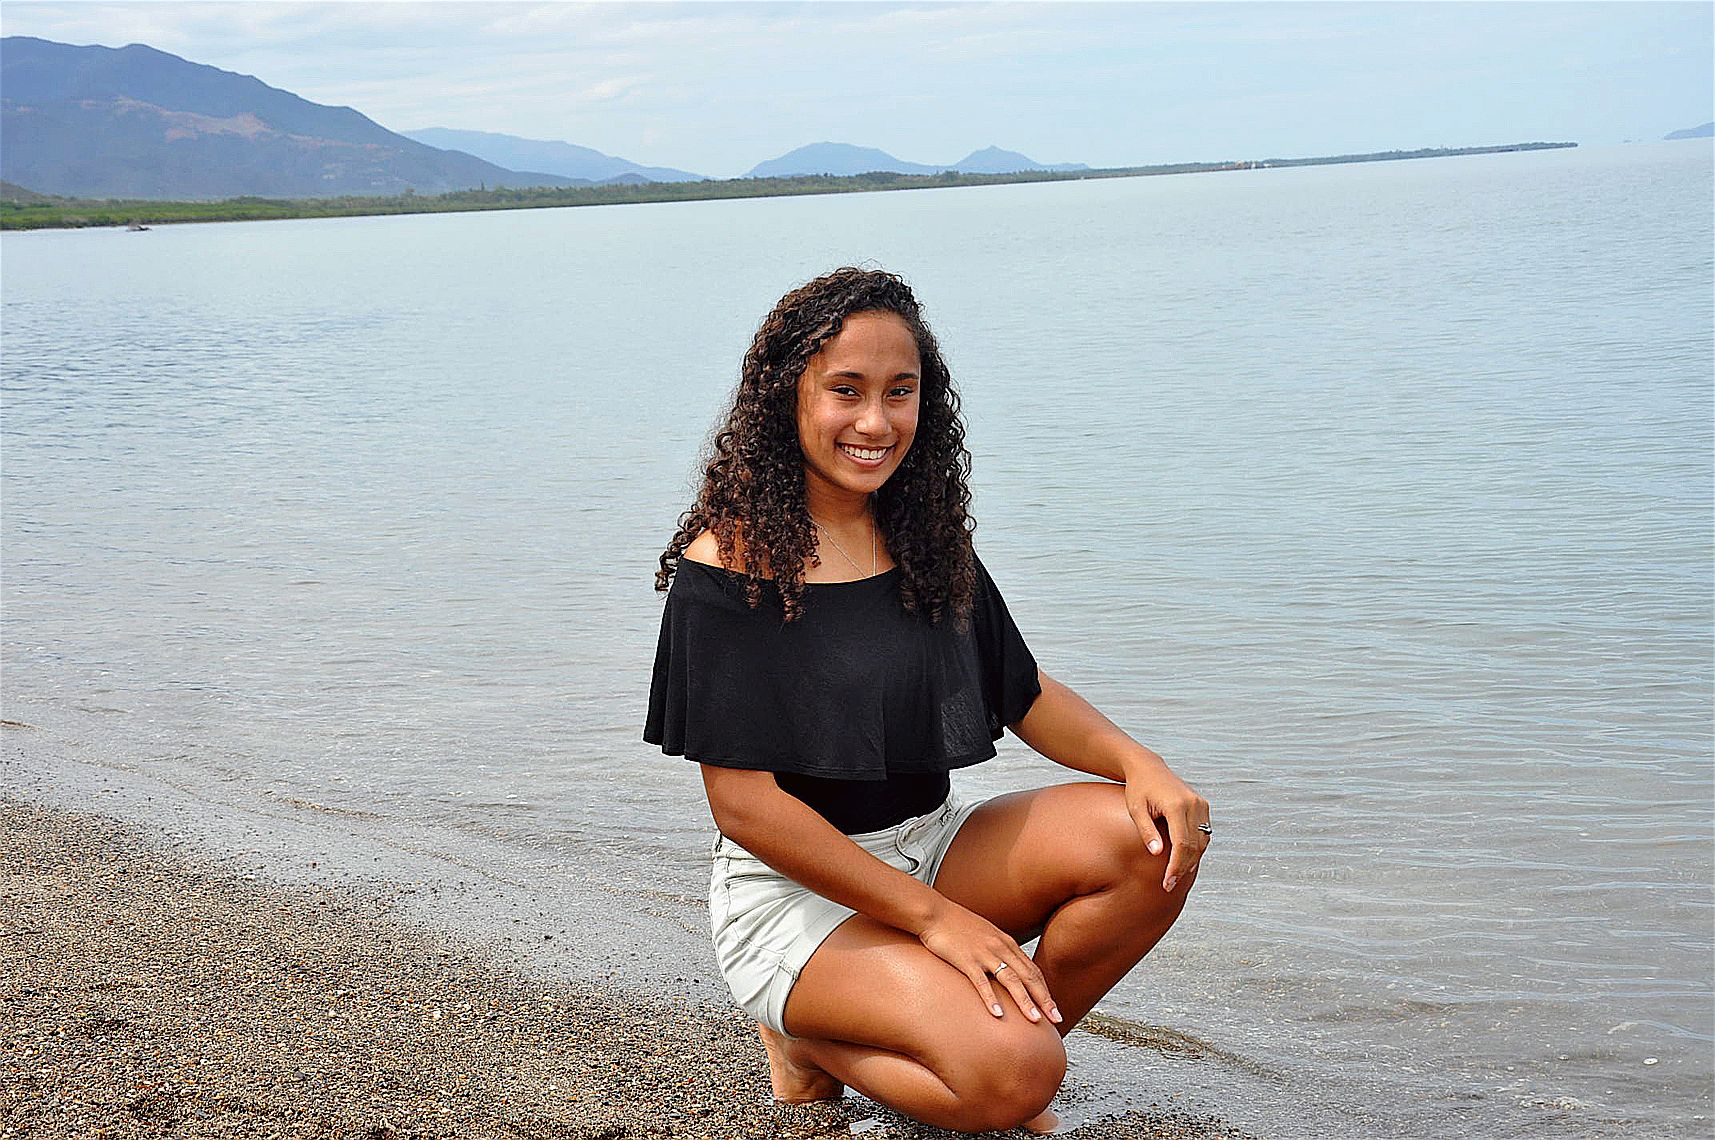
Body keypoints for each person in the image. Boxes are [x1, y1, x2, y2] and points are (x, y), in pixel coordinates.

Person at [645, 267, 1210, 1133]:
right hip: (795, 893)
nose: (876, 422)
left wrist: (1143, 765)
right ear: (785, 398)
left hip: (931, 847)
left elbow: (1022, 693)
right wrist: (938, 922)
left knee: (1150, 838)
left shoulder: (918, 535)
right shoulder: (729, 567)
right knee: (1016, 1080)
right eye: (845, 390)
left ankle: (998, 1045)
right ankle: (814, 1041)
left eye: (899, 392)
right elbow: (745, 808)